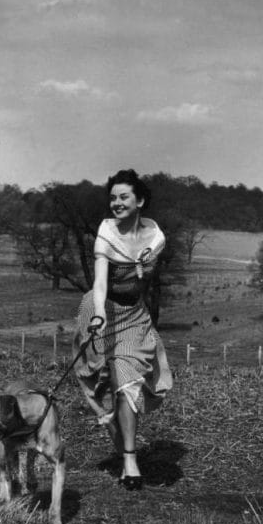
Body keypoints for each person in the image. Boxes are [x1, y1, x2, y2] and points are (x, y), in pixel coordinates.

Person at [73, 169, 173, 491]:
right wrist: (99, 316)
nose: (116, 203)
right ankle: (124, 448)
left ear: (140, 200)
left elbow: (144, 279)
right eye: (112, 197)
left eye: (123, 197)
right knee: (106, 378)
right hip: (102, 309)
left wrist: (140, 268)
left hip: (133, 314)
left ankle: (129, 458)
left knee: (127, 380)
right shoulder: (106, 233)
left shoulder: (156, 238)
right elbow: (100, 283)